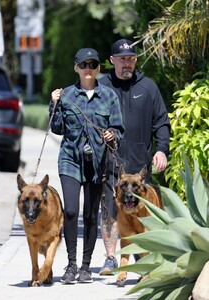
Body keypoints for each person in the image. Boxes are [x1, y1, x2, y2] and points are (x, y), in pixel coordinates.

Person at [49, 48, 124, 284]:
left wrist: (112, 134)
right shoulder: (67, 95)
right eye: (84, 65)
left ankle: (85, 267)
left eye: (93, 64)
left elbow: (118, 128)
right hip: (70, 159)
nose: (88, 69)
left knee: (91, 214)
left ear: (99, 68)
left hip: (97, 162)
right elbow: (57, 128)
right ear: (76, 68)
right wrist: (53, 104)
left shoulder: (109, 96)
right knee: (71, 211)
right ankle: (70, 265)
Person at [98, 39, 170, 275]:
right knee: (110, 209)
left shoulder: (148, 87)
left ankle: (143, 257)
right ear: (112, 61)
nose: (126, 64)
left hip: (140, 165)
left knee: (142, 212)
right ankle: (111, 257)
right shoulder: (102, 86)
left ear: (135, 60)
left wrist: (162, 149)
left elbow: (161, 122)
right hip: (111, 159)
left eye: (130, 59)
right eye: (121, 59)